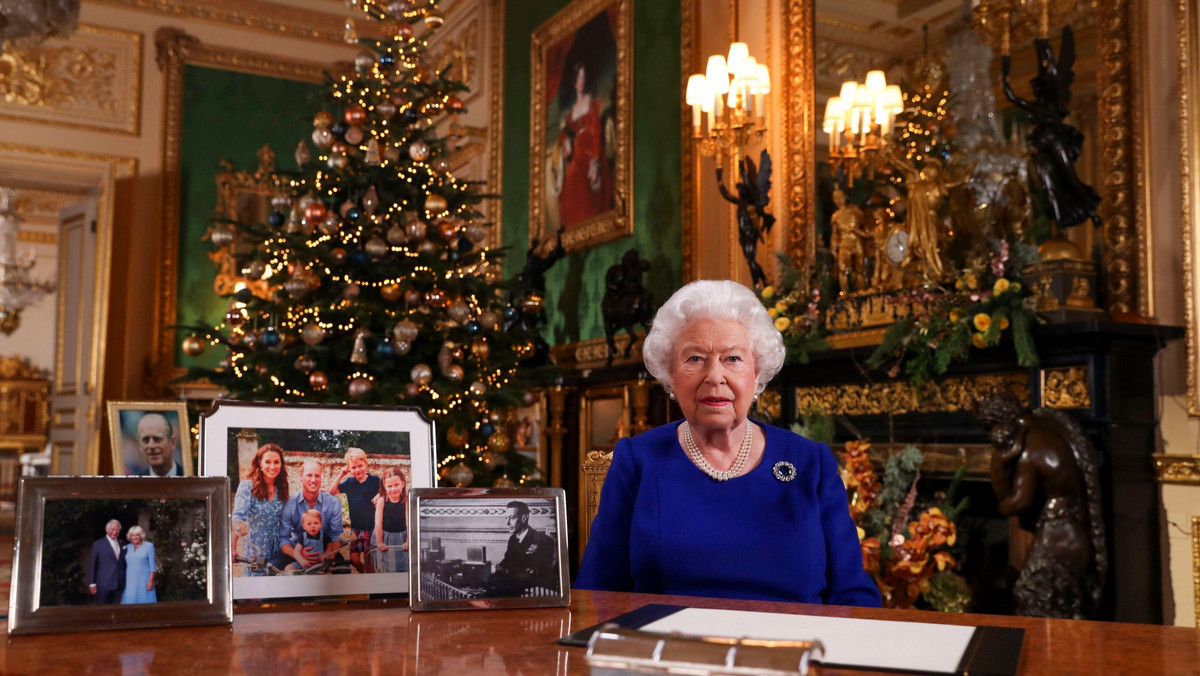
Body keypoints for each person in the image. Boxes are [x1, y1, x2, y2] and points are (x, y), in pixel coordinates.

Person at [576, 280, 881, 606]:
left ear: (757, 370)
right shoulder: (637, 461)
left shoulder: (810, 462)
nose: (715, 376)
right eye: (695, 358)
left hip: (792, 652)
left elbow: (852, 593)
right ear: (670, 374)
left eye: (732, 358)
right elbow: (597, 593)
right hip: (668, 650)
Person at [557, 62, 613, 227]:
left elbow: (596, 132)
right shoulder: (572, 110)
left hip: (591, 155)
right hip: (578, 157)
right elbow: (565, 131)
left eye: (584, 77)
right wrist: (565, 141)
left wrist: (595, 161)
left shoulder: (592, 103)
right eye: (579, 77)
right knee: (571, 191)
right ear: (574, 81)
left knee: (590, 198)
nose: (582, 80)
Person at [273, 460, 344, 570]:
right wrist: (299, 556)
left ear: (321, 477)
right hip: (295, 549)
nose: (313, 480)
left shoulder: (334, 502)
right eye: (309, 475)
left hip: (325, 550)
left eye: (317, 476)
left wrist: (327, 557)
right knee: (272, 568)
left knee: (344, 570)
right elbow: (283, 539)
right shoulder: (289, 503)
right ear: (301, 476)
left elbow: (337, 536)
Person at [232, 444, 289, 575]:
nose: (272, 466)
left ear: (281, 464)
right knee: (255, 590)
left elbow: (287, 520)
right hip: (255, 548)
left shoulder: (282, 489)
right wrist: (233, 548)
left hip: (276, 550)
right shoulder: (247, 487)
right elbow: (238, 518)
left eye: (276, 462)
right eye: (267, 462)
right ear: (260, 463)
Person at [328, 447, 380, 573]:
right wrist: (341, 474)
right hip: (356, 528)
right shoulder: (350, 482)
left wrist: (380, 495)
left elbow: (386, 492)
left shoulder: (375, 481)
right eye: (353, 467)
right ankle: (365, 576)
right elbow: (332, 491)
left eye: (360, 466)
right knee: (354, 559)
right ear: (349, 468)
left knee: (369, 560)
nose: (357, 470)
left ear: (366, 464)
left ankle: (370, 582)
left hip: (371, 527)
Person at [490, 500, 557, 597]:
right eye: (506, 518)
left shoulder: (543, 541)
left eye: (511, 518)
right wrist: (499, 568)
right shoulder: (513, 539)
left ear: (524, 518)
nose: (507, 523)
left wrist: (508, 574)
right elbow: (507, 560)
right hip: (513, 585)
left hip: (532, 591)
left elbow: (541, 573)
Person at [372, 468, 409, 573]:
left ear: (403, 484)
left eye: (396, 485)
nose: (393, 489)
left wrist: (408, 541)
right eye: (389, 486)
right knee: (384, 567)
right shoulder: (381, 501)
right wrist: (380, 542)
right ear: (384, 486)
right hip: (384, 537)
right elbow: (378, 523)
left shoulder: (407, 501)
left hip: (402, 538)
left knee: (403, 567)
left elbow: (409, 522)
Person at [88, 519, 126, 604]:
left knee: (117, 611)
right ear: (107, 530)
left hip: (119, 584)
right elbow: (92, 565)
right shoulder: (98, 544)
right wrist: (92, 583)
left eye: (117, 530)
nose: (115, 532)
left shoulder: (122, 544)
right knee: (102, 611)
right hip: (103, 584)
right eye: (113, 529)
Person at [135, 412, 184, 477]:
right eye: (146, 440)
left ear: (172, 442)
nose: (151, 446)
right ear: (140, 446)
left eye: (157, 439)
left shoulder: (190, 478)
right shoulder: (135, 484)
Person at [121, 525, 157, 604]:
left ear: (141, 535)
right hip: (130, 580)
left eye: (137, 535)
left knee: (145, 603)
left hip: (144, 580)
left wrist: (151, 581)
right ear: (130, 536)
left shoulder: (149, 546)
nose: (135, 537)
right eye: (132, 535)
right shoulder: (127, 547)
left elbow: (152, 567)